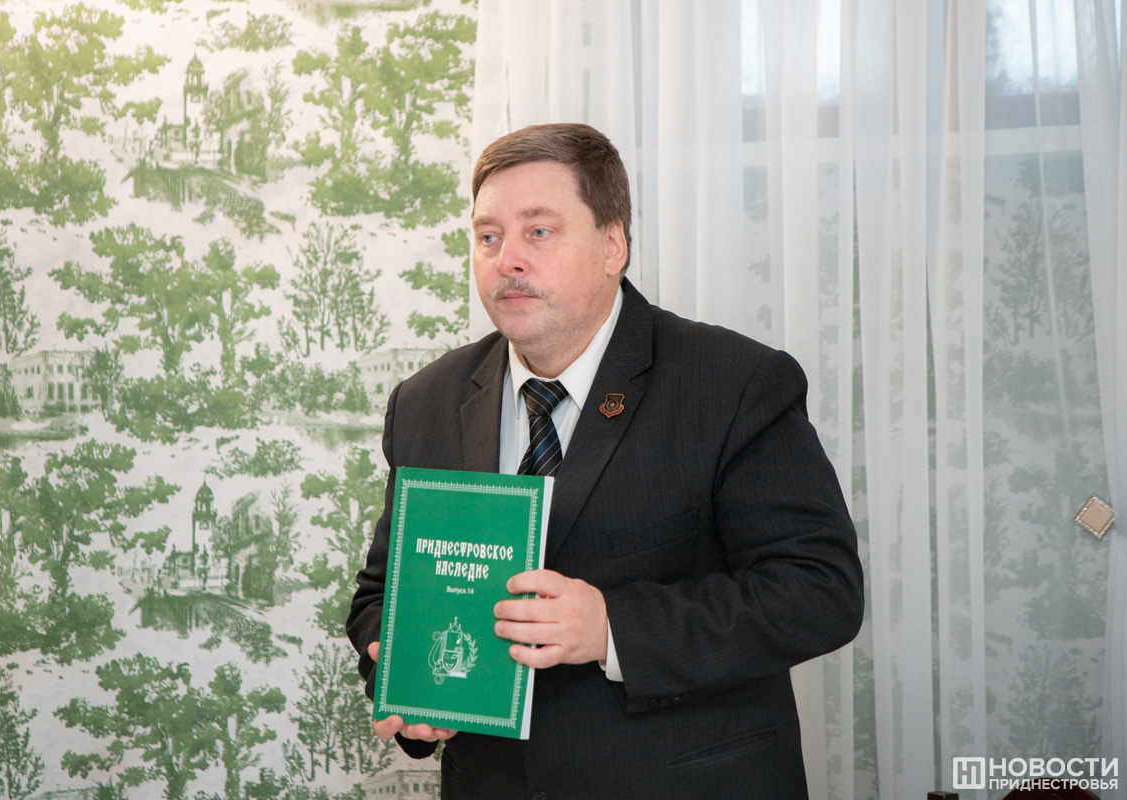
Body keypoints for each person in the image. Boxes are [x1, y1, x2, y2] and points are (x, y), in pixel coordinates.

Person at [346, 122, 864, 800]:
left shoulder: (733, 383)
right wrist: (408, 681)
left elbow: (819, 592)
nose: (507, 259)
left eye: (539, 231)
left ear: (613, 244)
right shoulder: (426, 401)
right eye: (488, 236)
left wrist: (611, 627)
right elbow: (381, 596)